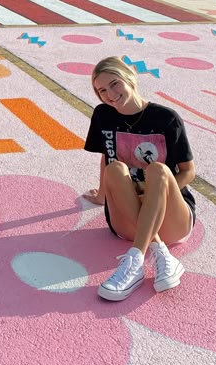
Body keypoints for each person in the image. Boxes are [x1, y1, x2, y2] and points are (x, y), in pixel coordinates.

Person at [82, 56, 196, 302]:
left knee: (158, 170)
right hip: (127, 220)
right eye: (101, 90)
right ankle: (156, 253)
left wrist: (159, 192)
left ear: (129, 78)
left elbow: (188, 171)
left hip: (170, 218)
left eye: (114, 84)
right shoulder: (103, 115)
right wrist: (103, 194)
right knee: (114, 169)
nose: (110, 94)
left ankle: (134, 260)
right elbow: (106, 157)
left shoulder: (166, 118)